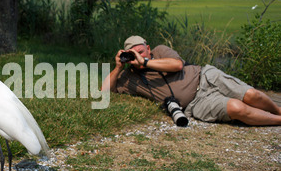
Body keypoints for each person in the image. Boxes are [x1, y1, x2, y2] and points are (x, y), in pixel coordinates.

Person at [101, 35, 281, 126]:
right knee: (237, 107)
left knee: (251, 95)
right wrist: (118, 67)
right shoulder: (129, 77)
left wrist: (147, 62)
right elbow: (103, 93)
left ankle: (278, 110)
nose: (137, 56)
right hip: (195, 104)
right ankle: (277, 120)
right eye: (132, 54)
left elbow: (177, 65)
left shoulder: (160, 51)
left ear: (148, 49)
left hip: (205, 78)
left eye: (140, 51)